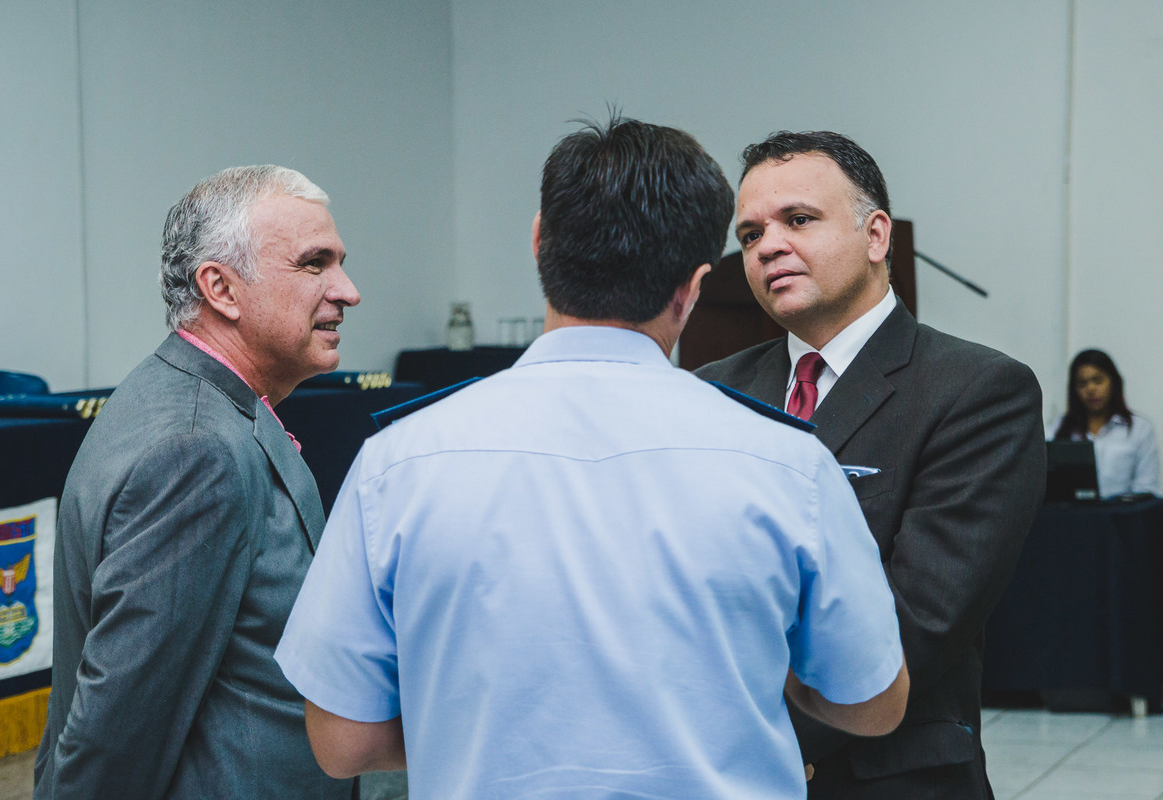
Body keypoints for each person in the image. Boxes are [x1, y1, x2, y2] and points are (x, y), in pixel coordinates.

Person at [275, 116, 910, 799]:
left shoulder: (395, 464)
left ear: (540, 240)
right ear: (694, 285)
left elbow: (343, 743)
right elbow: (874, 704)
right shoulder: (789, 464)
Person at [697, 131, 1047, 798]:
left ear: (877, 235)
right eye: (749, 235)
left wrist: (750, 741)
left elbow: (921, 620)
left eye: (798, 220)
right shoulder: (714, 389)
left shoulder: (975, 390)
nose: (768, 245)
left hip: (885, 775)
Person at [32, 165, 396, 799]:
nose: (348, 290)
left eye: (339, 263)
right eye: (315, 264)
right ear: (221, 288)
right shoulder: (195, 450)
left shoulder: (199, 405)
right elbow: (115, 735)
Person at [1051, 349, 1161, 497]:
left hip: (1122, 516)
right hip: (1073, 515)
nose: (1091, 389)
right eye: (1082, 383)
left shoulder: (1139, 429)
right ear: (1074, 389)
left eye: (1098, 380)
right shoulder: (1059, 427)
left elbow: (1147, 489)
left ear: (1113, 382)